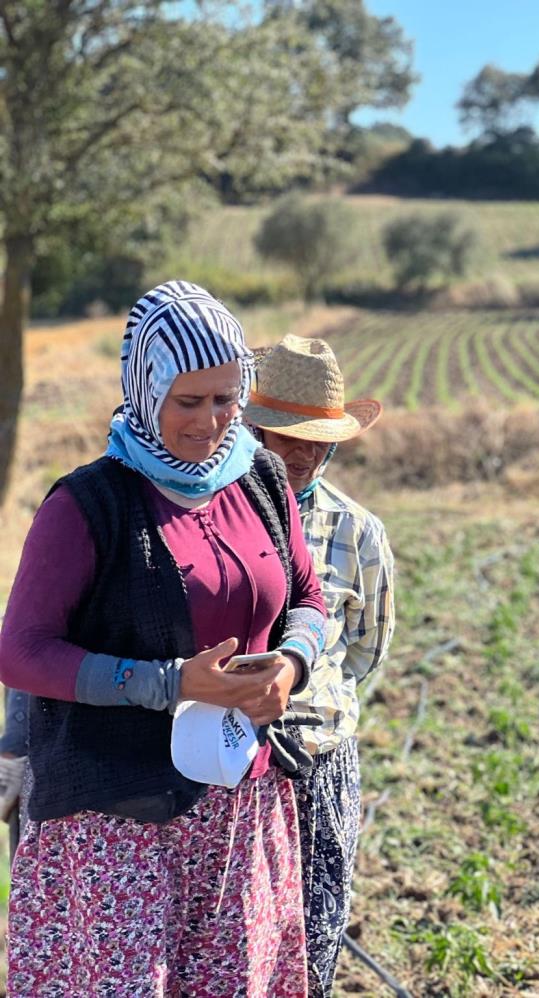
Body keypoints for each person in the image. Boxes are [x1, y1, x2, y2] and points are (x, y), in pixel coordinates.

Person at [0, 280, 327, 995]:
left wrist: (291, 666)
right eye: (189, 401)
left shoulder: (260, 480)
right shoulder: (89, 505)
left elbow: (307, 597)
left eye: (226, 399)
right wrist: (171, 682)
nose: (212, 422)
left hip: (236, 802)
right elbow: (20, 651)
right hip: (112, 819)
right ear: (145, 391)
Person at [245, 334, 396, 997]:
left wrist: (310, 695)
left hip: (318, 758)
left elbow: (366, 647)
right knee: (232, 950)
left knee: (313, 939)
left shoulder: (357, 531)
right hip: (228, 766)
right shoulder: (215, 514)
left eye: (319, 439)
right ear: (251, 431)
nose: (306, 454)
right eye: (288, 438)